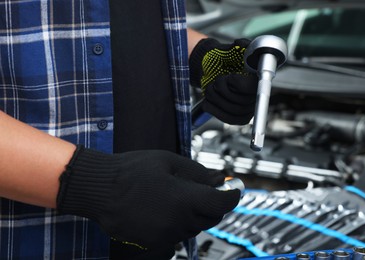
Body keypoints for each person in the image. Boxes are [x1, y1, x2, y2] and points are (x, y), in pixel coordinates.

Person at [0, 0, 258, 259]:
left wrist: (203, 57)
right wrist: (102, 184)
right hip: (32, 242)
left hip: (150, 239)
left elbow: (104, 20)